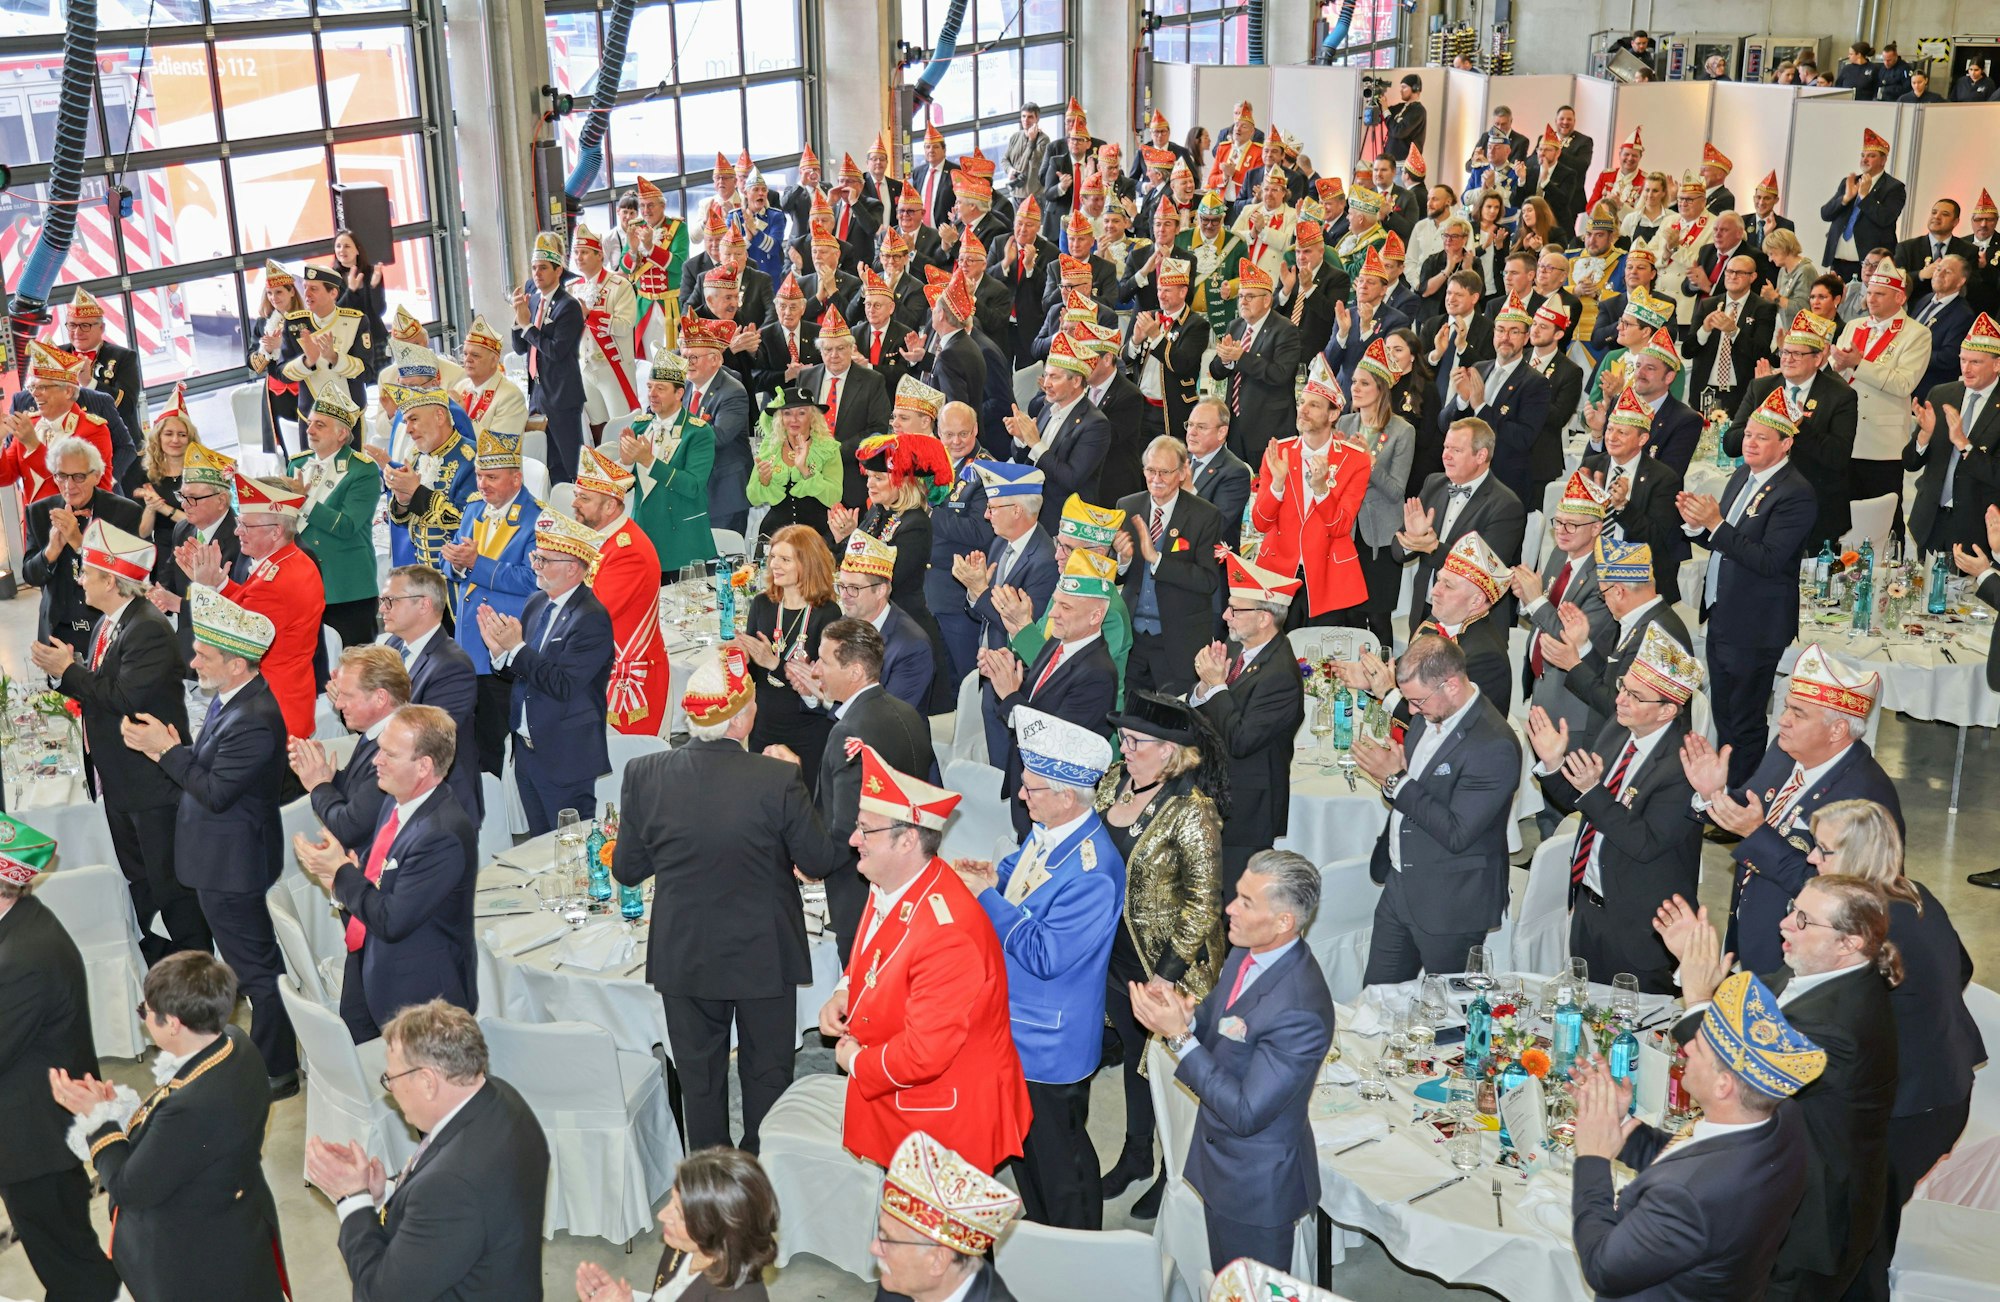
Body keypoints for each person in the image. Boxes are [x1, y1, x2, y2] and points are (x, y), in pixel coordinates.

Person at [614, 650, 842, 1151]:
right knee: (767, 1076)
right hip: (764, 952)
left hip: (685, 952)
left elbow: (628, 869)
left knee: (701, 1083)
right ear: (741, 718)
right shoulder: (777, 779)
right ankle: (759, 1172)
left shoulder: (644, 774)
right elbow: (820, 860)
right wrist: (800, 781)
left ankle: (711, 1184)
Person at [1659, 875, 1899, 1302]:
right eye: (1793, 909)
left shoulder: (1839, 1024)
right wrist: (1698, 965)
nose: (1785, 924)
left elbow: (1732, 1080)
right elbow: (1755, 1020)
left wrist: (1697, 995)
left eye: (1804, 921)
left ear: (1850, 943)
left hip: (1806, 1228)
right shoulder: (1808, 970)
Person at [819, 746, 1032, 1173]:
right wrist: (845, 990)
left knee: (943, 1237)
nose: (852, 840)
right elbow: (873, 949)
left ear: (908, 840)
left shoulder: (946, 935)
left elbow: (923, 1054)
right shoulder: (892, 880)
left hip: (944, 1117)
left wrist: (855, 1061)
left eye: (866, 830)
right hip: (909, 1098)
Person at [948, 710, 1121, 1230]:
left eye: (1032, 789)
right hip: (1017, 1026)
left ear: (1068, 796)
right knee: (1024, 1148)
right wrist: (994, 878)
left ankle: (1075, 1252)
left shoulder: (1094, 871)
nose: (1023, 796)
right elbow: (1026, 875)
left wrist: (987, 900)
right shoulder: (1051, 832)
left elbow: (1045, 954)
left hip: (1050, 1043)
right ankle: (1045, 1235)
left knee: (1060, 1159)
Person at [122, 587, 297, 1095]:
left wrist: (165, 753)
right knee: (250, 963)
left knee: (257, 972)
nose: (193, 659)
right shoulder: (231, 700)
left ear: (237, 665)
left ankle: (275, 1070)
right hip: (220, 858)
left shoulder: (256, 718)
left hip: (233, 864)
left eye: (204, 654)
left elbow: (217, 792)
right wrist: (176, 750)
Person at [1806, 801, 1984, 1300]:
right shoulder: (1914, 896)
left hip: (1911, 1107)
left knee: (1857, 1244)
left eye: (1825, 850)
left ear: (1859, 855)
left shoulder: (1867, 926)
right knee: (1864, 1229)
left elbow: (1834, 1017)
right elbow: (1962, 969)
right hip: (1941, 1091)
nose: (1814, 859)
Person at [1130, 848, 1335, 1272]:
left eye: (1246, 902)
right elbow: (1223, 1020)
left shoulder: (1299, 1010)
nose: (1229, 909)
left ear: (1284, 922)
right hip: (1220, 1164)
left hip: (1257, 1190)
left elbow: (1245, 1112)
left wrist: (1180, 1037)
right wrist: (1189, 1016)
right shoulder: (1247, 950)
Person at [1569, 972, 1819, 1301]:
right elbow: (1689, 1156)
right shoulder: (1783, 1118)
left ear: (1723, 1085)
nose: (1685, 1049)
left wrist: (1593, 1159)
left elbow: (1603, 1267)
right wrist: (1622, 1125)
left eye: (1698, 1047)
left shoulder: (1687, 1198)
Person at [51, 951, 287, 1300]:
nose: (144, 1018)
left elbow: (130, 1190)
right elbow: (175, 1134)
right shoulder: (236, 1042)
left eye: (145, 1012)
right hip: (239, 1220)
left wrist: (98, 1121)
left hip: (196, 1251)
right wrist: (115, 1109)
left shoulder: (192, 1107)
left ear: (174, 1023)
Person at [29, 518, 209, 960]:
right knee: (141, 876)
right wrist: (70, 671)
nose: (80, 580)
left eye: (86, 572)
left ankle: (200, 972)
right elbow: (102, 681)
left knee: (171, 884)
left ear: (110, 580)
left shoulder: (145, 627)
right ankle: (162, 960)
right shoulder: (112, 621)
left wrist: (66, 672)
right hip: (122, 778)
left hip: (150, 782)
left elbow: (122, 695)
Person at [307, 1000, 549, 1301]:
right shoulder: (501, 1098)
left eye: (391, 1078)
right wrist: (386, 1191)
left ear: (427, 1082)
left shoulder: (449, 1188)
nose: (390, 1089)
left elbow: (380, 1295)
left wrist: (352, 1200)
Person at [1683, 644, 1901, 974]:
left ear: (1838, 730)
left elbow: (1847, 902)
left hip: (1800, 962)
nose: (1782, 721)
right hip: (1750, 937)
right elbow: (1748, 807)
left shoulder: (1866, 799)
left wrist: (1756, 835)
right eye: (1786, 708)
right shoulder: (1785, 752)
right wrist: (1713, 794)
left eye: (1798, 714)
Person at [1095, 692, 1227, 1217]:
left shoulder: (1193, 813)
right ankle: (1135, 1155)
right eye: (1123, 740)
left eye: (1136, 742)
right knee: (1133, 1058)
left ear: (1170, 751)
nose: (1124, 750)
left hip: (1173, 967)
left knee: (1174, 1077)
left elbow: (1203, 902)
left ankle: (1177, 1168)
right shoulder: (1112, 783)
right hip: (1117, 956)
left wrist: (1167, 979)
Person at [1528, 624, 1702, 994]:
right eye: (1623, 687)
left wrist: (1592, 789)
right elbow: (1582, 800)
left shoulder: (1684, 766)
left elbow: (1643, 842)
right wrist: (1554, 763)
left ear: (1669, 710)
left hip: (1640, 928)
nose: (1620, 699)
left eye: (1636, 696)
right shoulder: (1619, 729)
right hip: (1589, 908)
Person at [294, 702, 477, 1042]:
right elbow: (379, 882)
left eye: (389, 755)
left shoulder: (441, 834)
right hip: (371, 962)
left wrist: (340, 874)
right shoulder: (395, 801)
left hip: (421, 1001)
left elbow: (392, 919)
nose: (376, 761)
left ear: (423, 766)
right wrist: (339, 878)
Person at [0, 817, 124, 1302]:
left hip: (34, 1142)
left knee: (72, 1267)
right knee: (65, 1257)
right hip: (36, 1128)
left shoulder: (23, 959)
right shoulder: (23, 925)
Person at [1351, 633, 1519, 981]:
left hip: (1451, 902)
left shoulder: (1493, 745)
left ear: (1452, 685)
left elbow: (1457, 833)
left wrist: (1396, 779)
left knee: (1449, 1016)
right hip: (1400, 884)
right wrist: (1391, 781)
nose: (1411, 710)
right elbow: (1411, 801)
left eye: (1418, 700)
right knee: (1377, 1000)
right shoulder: (1428, 717)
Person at [1678, 390, 1818, 791]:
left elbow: (1769, 560)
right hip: (1722, 611)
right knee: (1724, 711)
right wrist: (1695, 523)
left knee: (1745, 718)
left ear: (1786, 444)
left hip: (1756, 623)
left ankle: (1743, 801)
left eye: (1761, 438)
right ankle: (1721, 789)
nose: (1749, 443)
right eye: (1748, 435)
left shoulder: (1796, 493)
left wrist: (1716, 524)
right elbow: (1723, 539)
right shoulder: (1742, 475)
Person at [479, 511, 615, 832]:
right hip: (528, 753)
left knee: (571, 851)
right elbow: (525, 673)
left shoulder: (591, 618)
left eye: (543, 559)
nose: (535, 566)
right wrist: (501, 654)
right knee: (540, 844)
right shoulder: (537, 602)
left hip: (565, 758)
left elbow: (562, 684)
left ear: (572, 568)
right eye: (535, 557)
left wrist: (516, 649)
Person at [979, 547, 1120, 839]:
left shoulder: (1098, 674)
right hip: (1031, 793)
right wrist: (1006, 669)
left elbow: (1055, 747)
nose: (1053, 613)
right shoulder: (1060, 644)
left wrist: (1009, 697)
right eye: (1056, 603)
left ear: (1096, 616)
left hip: (1055, 805)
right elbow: (1036, 694)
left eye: (1066, 608)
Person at [179, 473, 325, 745]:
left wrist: (204, 588)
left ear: (275, 531)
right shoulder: (291, 560)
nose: (237, 532)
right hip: (286, 704)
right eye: (238, 523)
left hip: (270, 715)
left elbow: (225, 643)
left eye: (246, 526)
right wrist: (220, 582)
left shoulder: (277, 581)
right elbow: (250, 603)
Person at [1192, 550, 1306, 895]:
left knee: (1232, 901)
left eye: (1236, 609)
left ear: (1264, 619)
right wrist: (1203, 687)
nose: (1226, 615)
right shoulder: (1241, 646)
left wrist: (1216, 687)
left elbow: (1241, 740)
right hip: (1222, 794)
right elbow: (1207, 707)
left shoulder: (1280, 675)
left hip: (1248, 810)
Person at [444, 429, 543, 775]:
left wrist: (476, 564)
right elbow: (453, 563)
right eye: (480, 476)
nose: (482, 485)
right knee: (473, 734)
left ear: (517, 478)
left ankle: (510, 811)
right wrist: (455, 562)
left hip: (505, 642)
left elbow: (535, 581)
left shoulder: (538, 520)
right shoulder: (474, 510)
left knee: (503, 734)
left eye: (492, 477)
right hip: (469, 640)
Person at [1727, 309, 1857, 552]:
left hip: (1817, 507)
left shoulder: (1840, 395)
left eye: (1797, 354)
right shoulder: (1761, 388)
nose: (1787, 359)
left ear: (1818, 359)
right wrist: (1761, 428)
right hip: (1761, 505)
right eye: (1785, 352)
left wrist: (1800, 426)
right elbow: (1731, 443)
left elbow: (1837, 456)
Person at [575, 1149, 780, 1302]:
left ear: (719, 1230)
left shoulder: (738, 1297)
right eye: (672, 1202)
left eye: (680, 1214)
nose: (662, 1215)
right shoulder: (686, 1245)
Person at [568, 446, 669, 735]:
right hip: (600, 671)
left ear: (610, 507)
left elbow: (590, 615)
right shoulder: (597, 538)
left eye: (584, 498)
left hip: (626, 681)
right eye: (577, 495)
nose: (575, 504)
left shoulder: (629, 551)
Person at [1394, 417, 1527, 636]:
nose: (1445, 455)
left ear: (1481, 455)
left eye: (1456, 450)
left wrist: (1432, 547)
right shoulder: (1434, 484)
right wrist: (1412, 541)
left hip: (1472, 623)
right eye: (1445, 447)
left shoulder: (1506, 505)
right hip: (1425, 610)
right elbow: (1397, 550)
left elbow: (1483, 573)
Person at [1114, 435, 1223, 695]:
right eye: (1151, 470)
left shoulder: (1205, 516)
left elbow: (1208, 580)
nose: (1156, 479)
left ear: (1183, 472)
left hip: (1177, 641)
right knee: (1128, 716)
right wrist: (1123, 560)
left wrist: (1158, 560)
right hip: (1132, 639)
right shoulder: (1127, 506)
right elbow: (1116, 576)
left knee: (1173, 723)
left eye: (1165, 472)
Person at [736, 524, 840, 786]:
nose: (774, 565)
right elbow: (751, 674)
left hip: (808, 728)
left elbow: (824, 683)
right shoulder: (762, 604)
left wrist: (773, 662)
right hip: (764, 724)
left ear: (807, 564)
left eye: (785, 559)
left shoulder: (828, 614)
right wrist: (740, 658)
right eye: (773, 557)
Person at [1515, 470, 1615, 741]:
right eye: (1558, 522)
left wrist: (1535, 601)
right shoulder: (1561, 553)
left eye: (1571, 524)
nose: (1560, 531)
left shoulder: (1605, 578)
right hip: (1543, 685)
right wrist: (1527, 599)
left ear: (1596, 528)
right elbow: (1545, 606)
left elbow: (1571, 641)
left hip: (1574, 702)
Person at [379, 563, 482, 822]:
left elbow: (430, 740)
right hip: (403, 789)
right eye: (382, 601)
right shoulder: (393, 645)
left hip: (439, 805)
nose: (382, 610)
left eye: (391, 601)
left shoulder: (451, 665)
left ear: (424, 605)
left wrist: (368, 706)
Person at [24, 435, 143, 659]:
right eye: (61, 476)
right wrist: (51, 550)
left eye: (78, 477)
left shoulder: (125, 512)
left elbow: (133, 577)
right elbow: (30, 575)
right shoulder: (38, 513)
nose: (69, 486)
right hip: (59, 630)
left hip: (110, 627)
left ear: (96, 476)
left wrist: (79, 542)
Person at [870, 1130, 1024, 1302]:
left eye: (888, 1239)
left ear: (938, 1260)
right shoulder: (898, 1283)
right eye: (880, 1231)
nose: (874, 1248)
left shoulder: (901, 1277)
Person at [290, 374, 383, 656]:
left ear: (342, 433)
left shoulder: (362, 470)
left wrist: (302, 501)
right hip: (304, 587)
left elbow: (347, 526)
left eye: (320, 424)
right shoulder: (297, 463)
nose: (310, 429)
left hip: (346, 587)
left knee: (359, 670)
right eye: (309, 423)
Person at [1556, 536, 1692, 722]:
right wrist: (1582, 645)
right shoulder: (1643, 620)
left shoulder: (1657, 637)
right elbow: (1612, 679)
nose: (1604, 601)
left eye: (1603, 594)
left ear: (1619, 591)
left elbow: (1618, 706)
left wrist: (1573, 666)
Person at [619, 344, 719, 574]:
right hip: (644, 536)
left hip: (682, 543)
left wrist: (648, 461)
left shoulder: (698, 432)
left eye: (660, 389)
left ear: (679, 393)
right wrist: (625, 463)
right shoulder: (641, 424)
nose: (652, 394)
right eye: (649, 387)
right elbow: (633, 485)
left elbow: (692, 486)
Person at [292, 644, 403, 851]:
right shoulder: (377, 733)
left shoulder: (394, 750)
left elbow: (348, 830)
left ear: (380, 697)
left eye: (347, 695)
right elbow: (359, 793)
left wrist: (319, 784)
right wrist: (325, 774)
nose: (339, 704)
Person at [1907, 313, 2000, 558]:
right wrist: (1923, 437)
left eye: (1976, 362)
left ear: (1997, 364)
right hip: (1930, 521)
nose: (1966, 369)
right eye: (1963, 360)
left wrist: (1964, 444)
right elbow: (1910, 463)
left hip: (1977, 529)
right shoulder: (1941, 394)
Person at [380, 362, 479, 581]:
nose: (408, 429)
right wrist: (402, 500)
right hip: (425, 579)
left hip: (459, 582)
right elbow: (403, 521)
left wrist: (416, 493)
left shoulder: (472, 459)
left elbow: (467, 524)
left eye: (414, 419)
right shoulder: (416, 457)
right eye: (405, 421)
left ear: (439, 416)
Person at [3, 341, 120, 506]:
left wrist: (33, 445)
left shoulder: (93, 430)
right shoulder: (31, 424)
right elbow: (5, 477)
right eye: (32, 387)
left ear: (68, 391)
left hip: (79, 526)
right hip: (36, 527)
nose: (35, 394)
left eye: (43, 387)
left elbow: (72, 488)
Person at [511, 230, 587, 483]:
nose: (537, 273)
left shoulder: (569, 306)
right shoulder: (533, 302)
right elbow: (522, 348)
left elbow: (556, 351)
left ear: (558, 271)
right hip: (538, 395)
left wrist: (528, 327)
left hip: (562, 396)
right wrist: (517, 320)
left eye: (543, 267)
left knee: (569, 464)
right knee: (545, 463)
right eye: (534, 268)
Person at [832, 533, 936, 712]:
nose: (844, 595)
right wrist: (811, 692)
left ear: (880, 590)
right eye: (841, 586)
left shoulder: (912, 646)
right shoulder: (844, 624)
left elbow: (887, 716)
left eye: (854, 588)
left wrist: (826, 699)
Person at [569, 222, 641, 442]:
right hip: (585, 368)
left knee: (623, 427)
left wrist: (590, 315)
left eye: (584, 253)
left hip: (612, 367)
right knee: (596, 428)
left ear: (599, 255)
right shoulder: (571, 288)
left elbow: (624, 325)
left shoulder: (620, 285)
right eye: (576, 253)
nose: (579, 257)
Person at [749, 381, 844, 545]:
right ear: (780, 418)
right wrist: (764, 481)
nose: (793, 419)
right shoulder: (769, 448)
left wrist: (806, 472)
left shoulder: (828, 449)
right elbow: (753, 498)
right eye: (787, 413)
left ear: (812, 417)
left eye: (801, 413)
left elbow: (834, 497)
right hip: (775, 535)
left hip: (817, 536)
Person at [124, 381, 197, 579]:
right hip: (165, 551)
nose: (175, 440)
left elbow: (199, 525)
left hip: (199, 548)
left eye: (182, 435)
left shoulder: (200, 472)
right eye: (169, 434)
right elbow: (143, 531)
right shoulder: (143, 473)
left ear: (190, 440)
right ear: (158, 437)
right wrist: (150, 506)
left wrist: (164, 508)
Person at [281, 264, 373, 416]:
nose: (306, 294)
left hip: (350, 414)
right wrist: (307, 362)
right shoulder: (293, 323)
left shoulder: (356, 321)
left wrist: (335, 358)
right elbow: (282, 374)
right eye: (305, 287)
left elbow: (367, 374)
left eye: (314, 289)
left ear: (333, 293)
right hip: (311, 416)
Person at [1820, 129, 1907, 280]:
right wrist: (1846, 198)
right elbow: (1826, 214)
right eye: (1863, 155)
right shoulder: (1850, 182)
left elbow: (1885, 218)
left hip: (1869, 267)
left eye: (1871, 156)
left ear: (1883, 160)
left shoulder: (1894, 188)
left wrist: (1865, 196)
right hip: (1838, 262)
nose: (1865, 159)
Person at [1184, 397, 1252, 551]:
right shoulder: (1180, 460)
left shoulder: (1234, 472)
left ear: (1222, 432)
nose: (1192, 432)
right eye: (1190, 425)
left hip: (1209, 564)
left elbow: (1217, 525)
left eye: (1201, 427)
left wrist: (1190, 489)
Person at [450, 314, 530, 444]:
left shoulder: (510, 397)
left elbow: (499, 446)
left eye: (475, 355)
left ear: (494, 360)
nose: (468, 359)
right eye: (465, 354)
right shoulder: (460, 387)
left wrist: (461, 416)